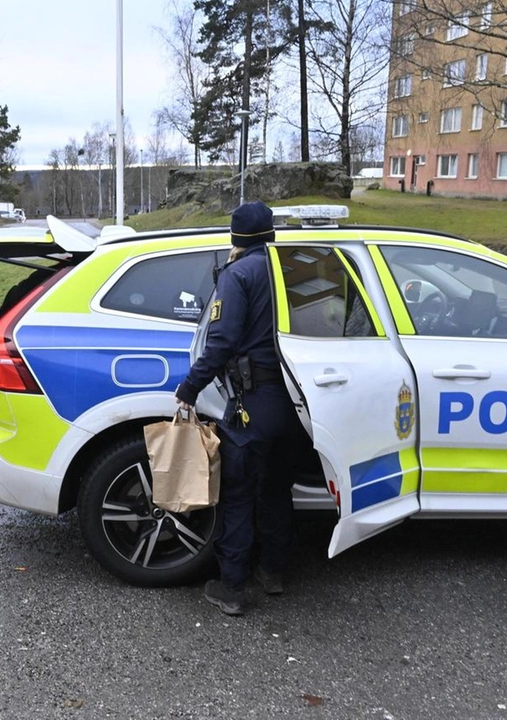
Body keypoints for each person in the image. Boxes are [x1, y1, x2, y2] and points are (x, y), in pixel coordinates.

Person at [174, 201, 301, 617]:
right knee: (278, 490)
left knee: (239, 494)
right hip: (299, 405)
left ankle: (231, 587)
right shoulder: (292, 268)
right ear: (270, 233)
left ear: (236, 237)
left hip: (253, 404)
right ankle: (274, 573)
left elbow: (223, 341)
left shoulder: (238, 274)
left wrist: (189, 388)